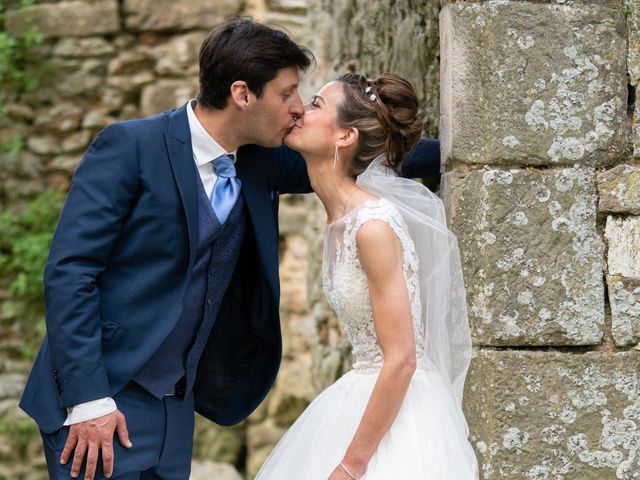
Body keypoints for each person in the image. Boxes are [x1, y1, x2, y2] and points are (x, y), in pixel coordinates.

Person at [19, 18, 440, 480]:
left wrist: (452, 154)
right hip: (104, 401)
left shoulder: (260, 161)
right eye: (286, 94)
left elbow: (359, 153)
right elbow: (70, 272)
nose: (298, 109)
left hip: (177, 410)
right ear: (243, 94)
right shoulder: (131, 147)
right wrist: (89, 400)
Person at [255, 73, 479, 479]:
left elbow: (402, 358)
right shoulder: (337, 220)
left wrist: (351, 466)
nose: (301, 110)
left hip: (401, 416)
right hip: (356, 394)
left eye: (317, 105)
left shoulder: (373, 225)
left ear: (345, 138)